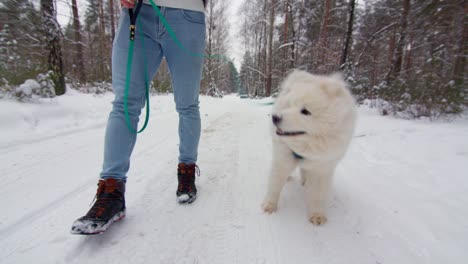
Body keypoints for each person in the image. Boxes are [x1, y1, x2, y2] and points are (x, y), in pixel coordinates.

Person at [71, 0, 207, 235]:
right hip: (137, 12)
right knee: (124, 103)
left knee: (187, 104)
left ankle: (186, 170)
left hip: (188, 13)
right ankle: (111, 191)